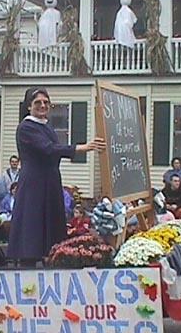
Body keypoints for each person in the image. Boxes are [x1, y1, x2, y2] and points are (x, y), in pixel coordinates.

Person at [7, 87, 106, 266]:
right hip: (34, 184)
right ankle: (27, 272)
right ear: (29, 106)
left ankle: (50, 261)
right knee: (33, 227)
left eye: (46, 102)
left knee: (50, 230)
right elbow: (48, 149)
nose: (43, 106)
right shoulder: (26, 127)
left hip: (50, 181)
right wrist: (81, 148)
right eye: (38, 103)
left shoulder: (46, 127)